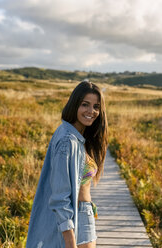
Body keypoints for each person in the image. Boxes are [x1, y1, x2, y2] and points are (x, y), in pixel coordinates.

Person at [26, 80, 108, 248]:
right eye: (85, 105)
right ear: (74, 104)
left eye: (96, 107)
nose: (91, 111)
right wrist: (70, 242)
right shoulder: (67, 141)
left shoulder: (74, 136)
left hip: (84, 213)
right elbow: (60, 198)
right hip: (76, 218)